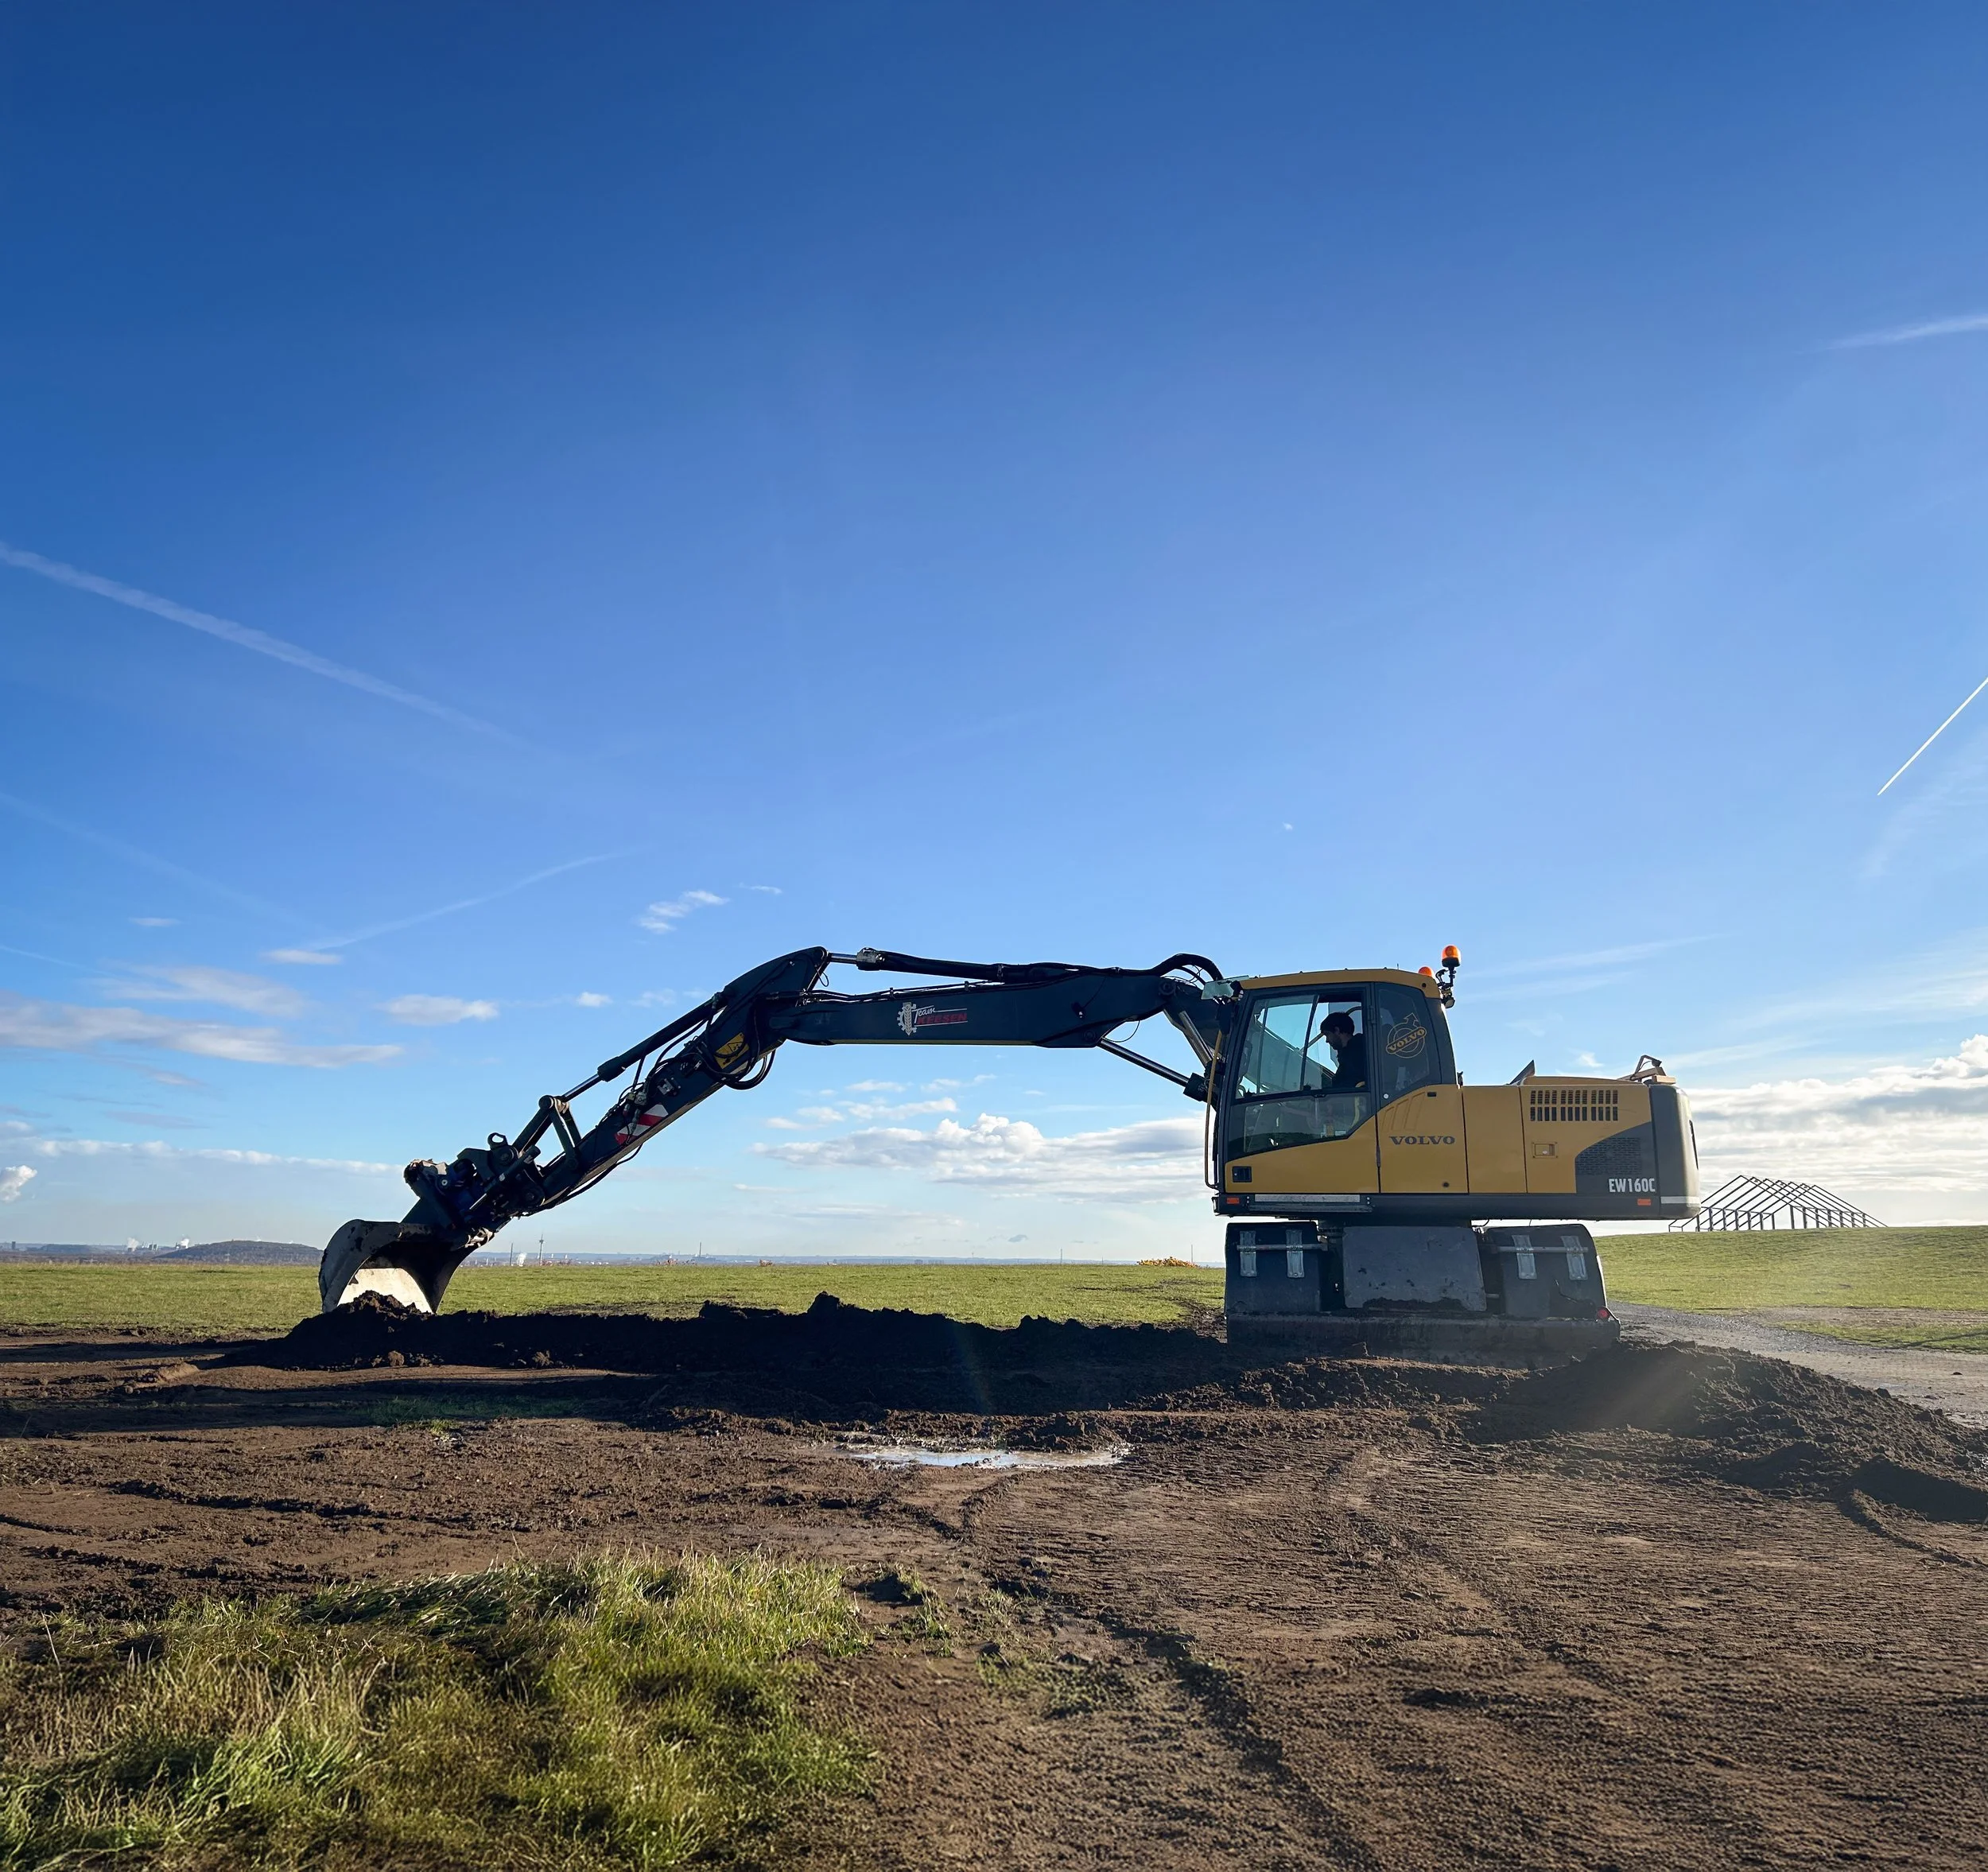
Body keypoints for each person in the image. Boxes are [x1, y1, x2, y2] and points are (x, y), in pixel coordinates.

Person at [1319, 1010, 1368, 1094]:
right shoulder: (1350, 1053)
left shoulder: (1358, 1053)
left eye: (1327, 1034)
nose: (1327, 1041)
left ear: (1337, 1030)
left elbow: (1349, 1083)